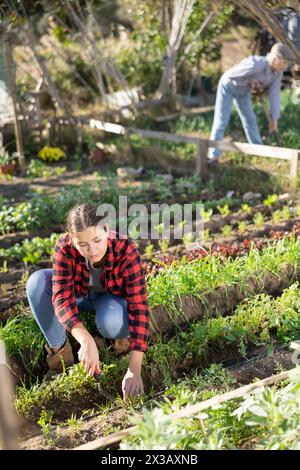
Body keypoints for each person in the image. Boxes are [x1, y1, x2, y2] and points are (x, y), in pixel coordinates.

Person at [26, 204, 149, 400]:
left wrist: (134, 370)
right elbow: (61, 297)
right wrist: (84, 338)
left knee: (112, 321)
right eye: (82, 244)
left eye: (97, 240)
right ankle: (61, 357)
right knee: (37, 283)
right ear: (72, 239)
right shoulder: (64, 248)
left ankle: (116, 341)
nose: (92, 250)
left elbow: (139, 308)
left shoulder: (126, 250)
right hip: (79, 296)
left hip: (109, 301)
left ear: (107, 230)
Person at [208, 42, 295, 162]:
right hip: (228, 87)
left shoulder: (277, 73)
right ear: (275, 59)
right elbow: (232, 76)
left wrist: (274, 119)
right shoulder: (257, 64)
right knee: (222, 121)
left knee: (250, 120)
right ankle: (213, 156)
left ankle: (258, 152)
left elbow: (275, 95)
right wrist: (250, 81)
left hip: (243, 92)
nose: (286, 67)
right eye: (285, 63)